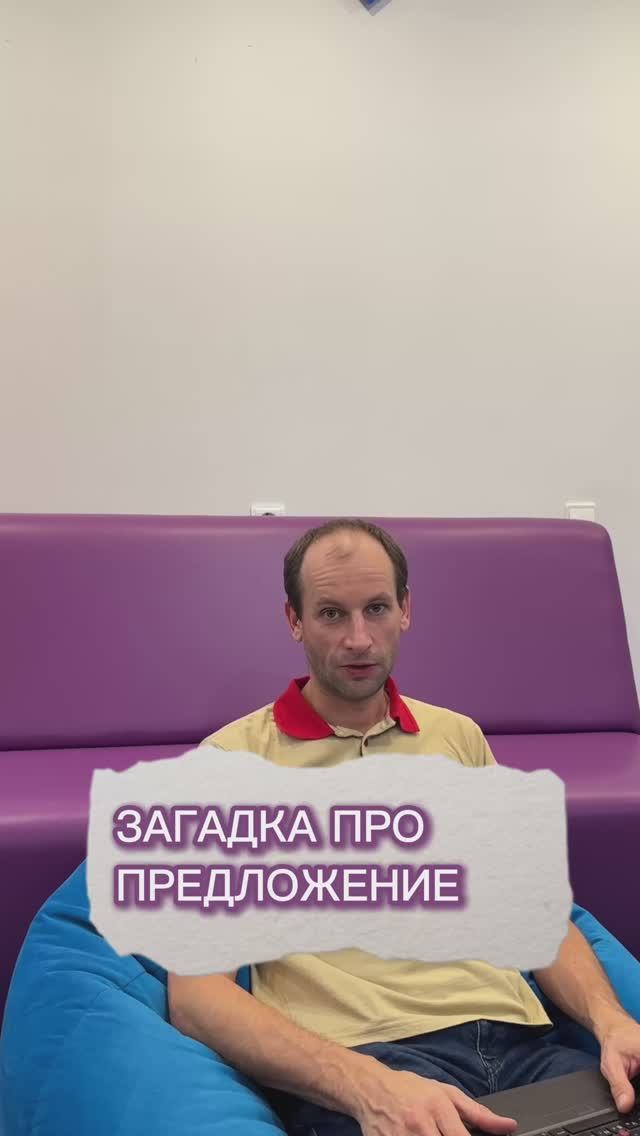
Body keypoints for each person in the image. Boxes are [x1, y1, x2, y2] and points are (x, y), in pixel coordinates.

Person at [168, 519, 640, 1136]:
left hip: (528, 1049)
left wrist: (610, 1021)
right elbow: (196, 998)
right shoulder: (231, 763)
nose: (359, 638)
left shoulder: (458, 737)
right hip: (373, 1063)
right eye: (331, 613)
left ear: (405, 609)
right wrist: (366, 1088)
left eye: (376, 608)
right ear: (294, 620)